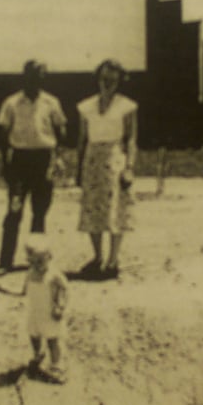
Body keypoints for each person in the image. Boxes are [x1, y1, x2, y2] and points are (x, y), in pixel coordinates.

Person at [0, 60, 67, 275]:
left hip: (43, 160)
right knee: (14, 211)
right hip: (19, 162)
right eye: (32, 75)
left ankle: (37, 260)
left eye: (41, 75)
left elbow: (60, 130)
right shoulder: (11, 103)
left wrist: (58, 157)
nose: (36, 80)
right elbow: (2, 133)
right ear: (24, 76)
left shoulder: (51, 102)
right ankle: (5, 261)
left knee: (40, 211)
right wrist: (6, 162)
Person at [76, 59, 138, 279]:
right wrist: (78, 169)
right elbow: (81, 140)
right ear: (98, 78)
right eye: (104, 78)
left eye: (112, 79)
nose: (107, 83)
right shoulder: (86, 107)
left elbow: (130, 139)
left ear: (119, 80)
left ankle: (113, 260)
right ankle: (97, 257)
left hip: (115, 159)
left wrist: (129, 167)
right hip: (92, 161)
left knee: (115, 210)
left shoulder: (127, 106)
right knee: (93, 209)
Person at [0, 233, 69, 384]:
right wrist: (7, 290)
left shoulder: (54, 275)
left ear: (50, 256)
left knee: (52, 340)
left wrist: (60, 306)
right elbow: (23, 291)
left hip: (49, 313)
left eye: (41, 261)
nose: (37, 265)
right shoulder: (30, 273)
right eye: (33, 262)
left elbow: (64, 289)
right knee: (34, 335)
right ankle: (37, 355)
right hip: (35, 313)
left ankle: (57, 365)